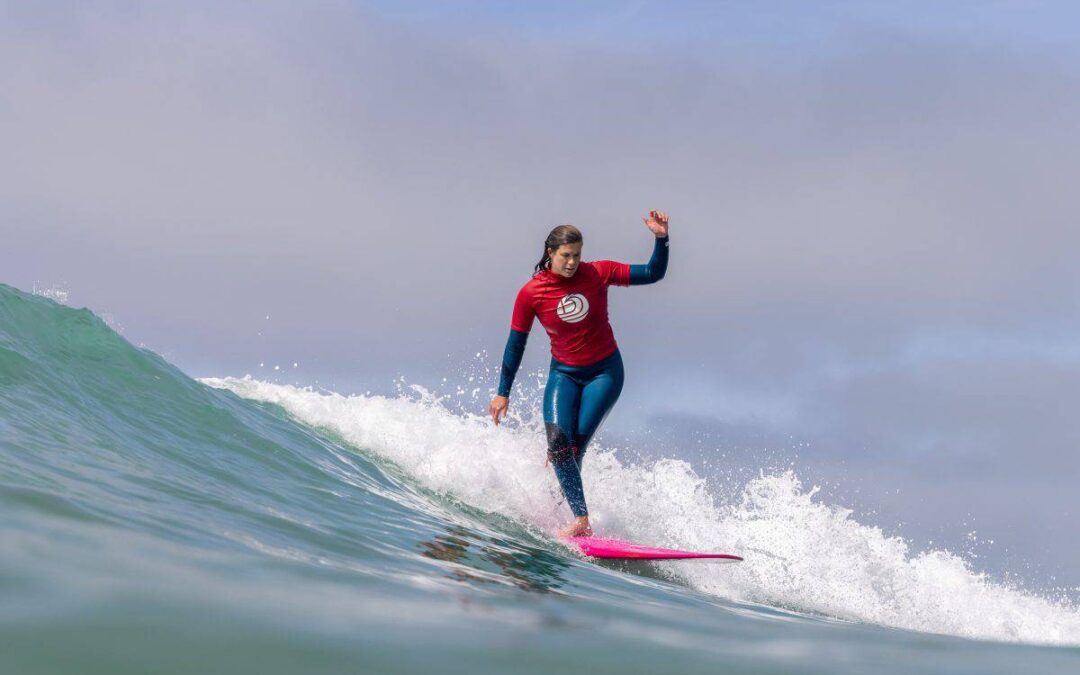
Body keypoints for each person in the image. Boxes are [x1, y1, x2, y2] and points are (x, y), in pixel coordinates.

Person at [489, 210, 670, 537]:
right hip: (565, 375)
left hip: (605, 374)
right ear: (551, 253)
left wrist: (661, 238)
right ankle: (574, 516)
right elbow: (516, 344)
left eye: (577, 255)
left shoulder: (598, 273)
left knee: (573, 450)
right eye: (566, 256)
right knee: (558, 446)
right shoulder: (532, 293)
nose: (572, 262)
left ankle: (575, 519)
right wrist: (503, 391)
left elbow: (653, 273)